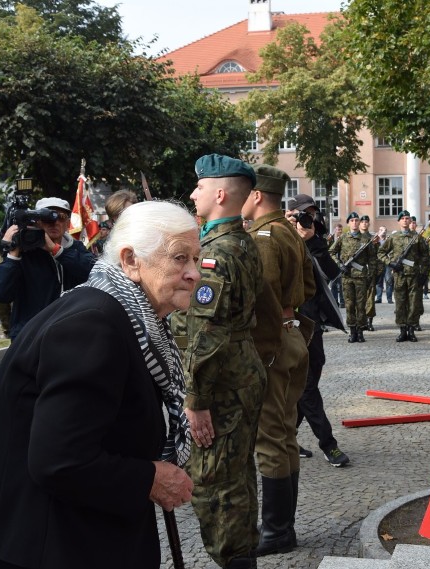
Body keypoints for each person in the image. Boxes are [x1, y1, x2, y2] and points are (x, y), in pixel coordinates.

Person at [0, 201, 197, 569]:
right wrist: (150, 477)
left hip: (79, 532)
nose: (194, 273)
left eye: (196, 259)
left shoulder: (126, 313)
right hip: (56, 543)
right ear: (130, 260)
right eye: (180, 258)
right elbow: (59, 460)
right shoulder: (94, 325)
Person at [170, 154, 265, 569]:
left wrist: (196, 402)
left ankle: (234, 558)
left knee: (213, 483)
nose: (193, 193)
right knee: (237, 474)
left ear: (220, 193)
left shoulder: (216, 254)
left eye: (200, 187)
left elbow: (208, 335)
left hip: (221, 381)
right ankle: (242, 554)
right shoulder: (238, 241)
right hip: (239, 372)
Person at [241, 165, 315, 557]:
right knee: (284, 434)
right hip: (291, 334)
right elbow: (309, 286)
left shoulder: (264, 237)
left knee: (270, 437)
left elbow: (263, 297)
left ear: (256, 195)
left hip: (271, 341)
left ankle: (276, 531)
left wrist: (262, 348)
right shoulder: (287, 231)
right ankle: (281, 526)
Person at [286, 194, 351, 469]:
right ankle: (329, 444)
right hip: (290, 324)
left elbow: (333, 272)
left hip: (313, 323)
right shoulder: (278, 239)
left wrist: (312, 240)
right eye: (300, 214)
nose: (305, 220)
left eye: (310, 215)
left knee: (309, 381)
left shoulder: (314, 241)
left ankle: (285, 437)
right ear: (289, 215)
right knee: (307, 385)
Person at [0, 196, 95, 340]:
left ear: (67, 223)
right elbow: (0, 294)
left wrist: (56, 251)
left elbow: (93, 272)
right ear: (36, 221)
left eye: (61, 217)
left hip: (71, 334)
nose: (54, 222)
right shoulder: (25, 253)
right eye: (47, 217)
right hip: (32, 338)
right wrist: (13, 253)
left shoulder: (76, 249)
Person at [378, 210, 430, 342]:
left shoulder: (417, 238)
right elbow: (381, 253)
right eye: (403, 219)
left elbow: (425, 257)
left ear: (411, 222)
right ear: (399, 221)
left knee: (414, 304)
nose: (405, 220)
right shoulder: (393, 238)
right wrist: (391, 263)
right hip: (399, 275)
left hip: (414, 276)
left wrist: (423, 274)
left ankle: (411, 330)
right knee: (400, 303)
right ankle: (402, 330)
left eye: (408, 219)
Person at [330, 212, 376, 342]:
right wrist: (340, 265)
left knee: (361, 305)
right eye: (352, 220)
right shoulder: (343, 238)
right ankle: (352, 331)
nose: (355, 223)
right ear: (349, 223)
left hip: (361, 276)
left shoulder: (366, 239)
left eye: (357, 220)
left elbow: (372, 258)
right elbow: (331, 252)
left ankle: (361, 331)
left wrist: (371, 274)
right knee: (349, 305)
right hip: (347, 276)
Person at [359, 215, 378, 331]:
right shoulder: (355, 238)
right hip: (357, 273)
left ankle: (369, 321)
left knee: (370, 298)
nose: (365, 223)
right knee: (359, 298)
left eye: (366, 222)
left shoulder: (373, 238)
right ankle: (361, 321)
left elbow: (377, 256)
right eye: (363, 222)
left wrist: (377, 272)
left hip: (370, 272)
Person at [327, 223, 345, 308]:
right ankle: (335, 301)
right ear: (335, 230)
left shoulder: (344, 239)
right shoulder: (331, 239)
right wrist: (328, 241)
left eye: (341, 230)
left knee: (341, 284)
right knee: (333, 284)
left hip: (341, 264)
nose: (340, 231)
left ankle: (342, 301)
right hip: (332, 264)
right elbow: (327, 250)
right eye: (338, 230)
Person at [374, 226, 391, 303]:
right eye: (381, 230)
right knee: (379, 281)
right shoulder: (375, 241)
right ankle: (379, 298)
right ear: (378, 231)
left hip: (387, 263)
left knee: (388, 280)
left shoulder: (389, 240)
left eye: (385, 230)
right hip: (378, 263)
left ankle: (389, 299)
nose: (383, 231)